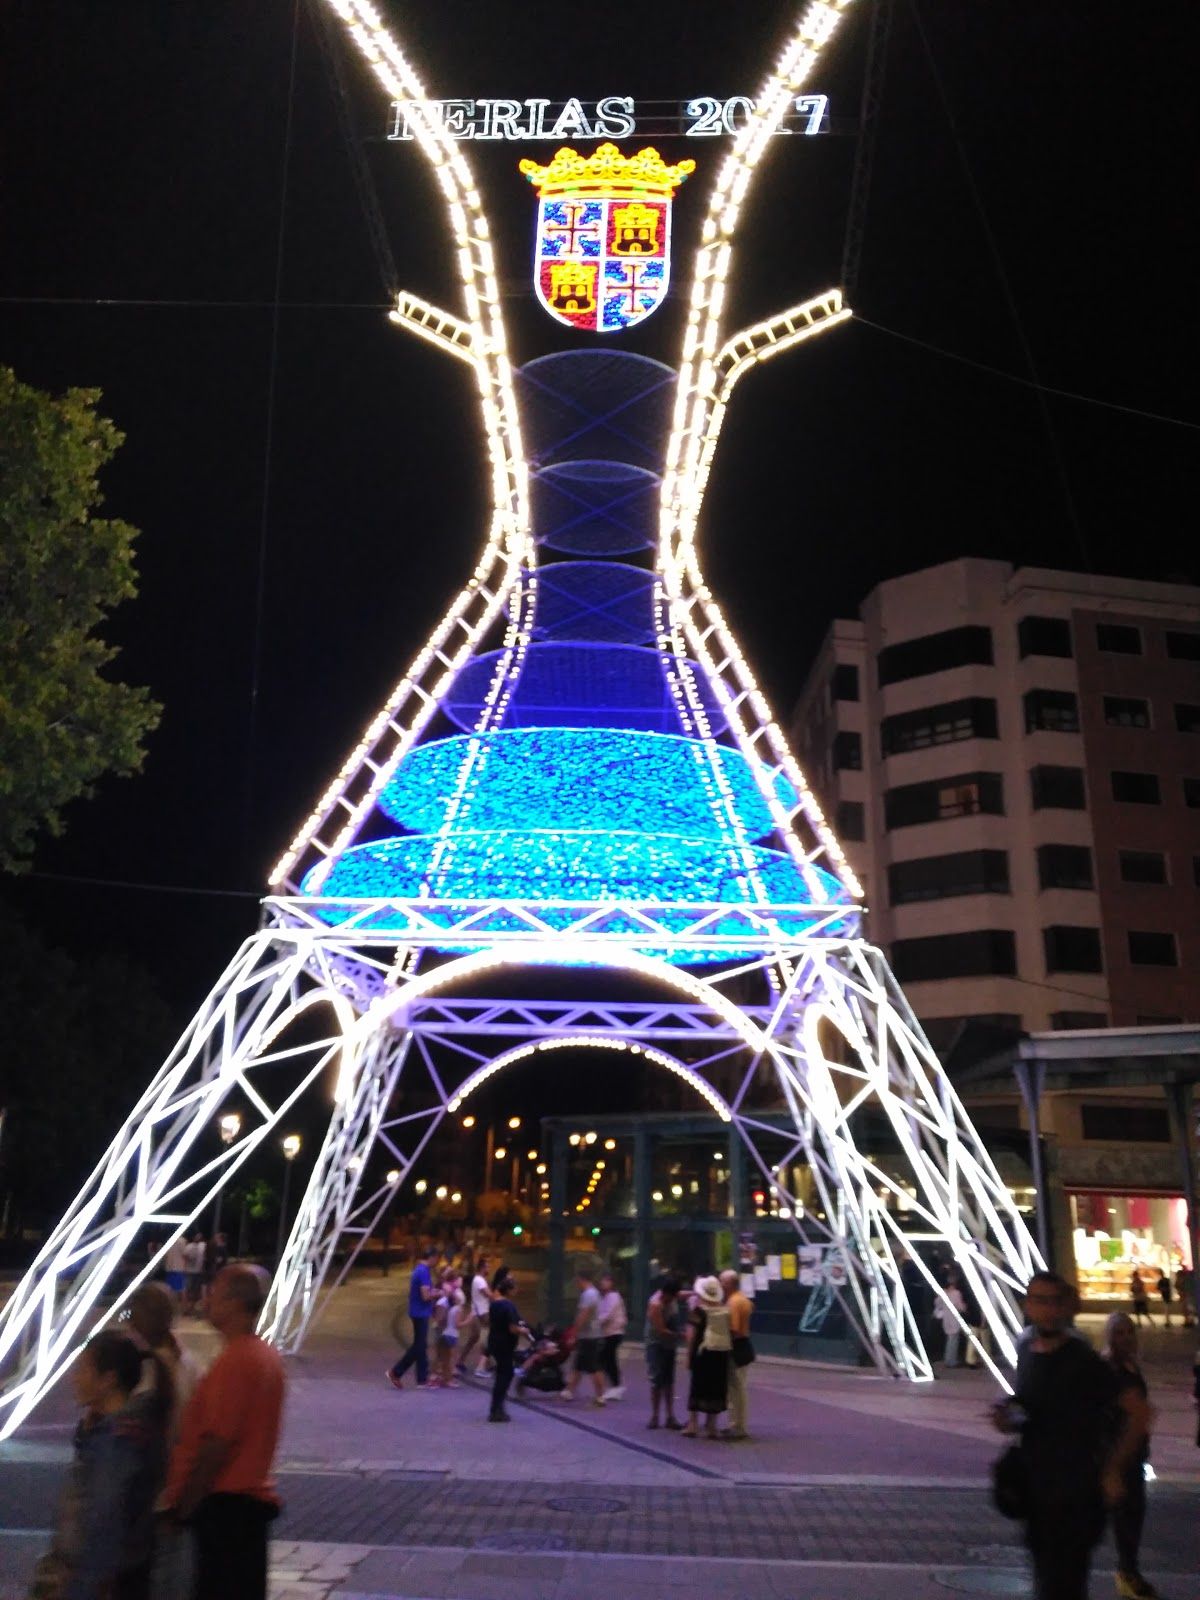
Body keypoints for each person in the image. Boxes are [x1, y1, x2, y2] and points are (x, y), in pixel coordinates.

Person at [991, 1271, 1146, 1600]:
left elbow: (1139, 1412)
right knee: (1049, 1581)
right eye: (1039, 1301)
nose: (1048, 1309)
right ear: (1027, 1306)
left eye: (1055, 1301)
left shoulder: (1082, 1360)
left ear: (1067, 1307)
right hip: (1036, 1490)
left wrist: (1113, 1470)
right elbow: (1033, 1408)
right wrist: (1009, 1418)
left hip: (1076, 1493)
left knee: (1063, 1585)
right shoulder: (1028, 1353)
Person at [164, 1263, 285, 1600]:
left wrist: (185, 1504)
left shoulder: (237, 1361)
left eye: (215, 1293)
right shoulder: (264, 1356)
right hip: (245, 1509)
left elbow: (217, 1442)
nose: (207, 1299)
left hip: (225, 1508)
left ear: (233, 1303)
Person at [31, 1329, 168, 1600]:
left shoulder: (116, 1440)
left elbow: (103, 1519)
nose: (74, 1378)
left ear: (108, 1380)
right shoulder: (116, 1431)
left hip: (93, 1582)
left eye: (82, 1370)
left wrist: (81, 1586)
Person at [128, 1281, 202, 1600]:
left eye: (134, 1314)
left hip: (148, 1498)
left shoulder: (139, 1373)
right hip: (177, 1493)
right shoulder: (192, 1365)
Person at [1101, 1312, 1158, 1600]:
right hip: (1120, 1456)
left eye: (1129, 1331)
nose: (1126, 1337)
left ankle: (1129, 1573)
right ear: (1110, 1335)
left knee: (1134, 1517)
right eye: (1119, 1332)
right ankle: (1127, 1575)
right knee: (1126, 1517)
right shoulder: (1111, 1369)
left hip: (1135, 1454)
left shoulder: (1130, 1366)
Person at [682, 1275, 731, 1440]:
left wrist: (688, 1355)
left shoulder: (698, 1311)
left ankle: (693, 1424)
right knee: (716, 1388)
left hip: (703, 1353)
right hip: (721, 1354)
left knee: (697, 1386)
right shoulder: (724, 1310)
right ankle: (712, 1427)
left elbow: (691, 1334)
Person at [387, 1244, 436, 1390]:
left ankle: (422, 1378)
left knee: (420, 1345)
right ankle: (396, 1372)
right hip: (420, 1312)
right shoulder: (423, 1272)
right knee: (419, 1346)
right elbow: (425, 1295)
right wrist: (438, 1293)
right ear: (432, 1257)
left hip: (418, 1311)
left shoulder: (419, 1270)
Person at [645, 1274, 686, 1430]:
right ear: (667, 1293)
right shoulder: (655, 1304)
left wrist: (697, 1293)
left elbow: (683, 1294)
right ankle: (655, 1416)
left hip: (669, 1345)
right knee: (656, 1379)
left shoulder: (673, 1296)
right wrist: (681, 1335)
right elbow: (661, 1330)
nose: (674, 1299)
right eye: (673, 1296)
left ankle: (670, 1416)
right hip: (656, 1344)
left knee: (669, 1380)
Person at [561, 1265, 606, 1406]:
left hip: (589, 1336)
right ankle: (569, 1391)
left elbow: (583, 1316)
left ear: (581, 1279)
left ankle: (600, 1396)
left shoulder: (588, 1295)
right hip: (590, 1335)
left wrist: (574, 1334)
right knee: (579, 1364)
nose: (576, 1283)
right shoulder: (594, 1293)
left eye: (577, 1280)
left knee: (594, 1367)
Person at [485, 1268, 525, 1422]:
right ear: (509, 1290)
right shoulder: (509, 1306)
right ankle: (497, 1409)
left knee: (501, 1374)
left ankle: (496, 1408)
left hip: (495, 1341)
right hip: (505, 1344)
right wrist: (523, 1330)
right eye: (514, 1289)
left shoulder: (495, 1304)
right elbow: (513, 1328)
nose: (516, 1292)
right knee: (505, 1375)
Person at [719, 1269, 752, 1440]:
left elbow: (734, 1328)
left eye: (722, 1282)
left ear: (730, 1283)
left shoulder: (733, 1302)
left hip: (736, 1347)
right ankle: (736, 1424)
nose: (720, 1284)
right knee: (737, 1388)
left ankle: (738, 1426)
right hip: (744, 1345)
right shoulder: (743, 1299)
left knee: (736, 1388)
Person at [457, 1254, 490, 1376]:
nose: (489, 1269)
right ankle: (482, 1366)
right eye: (487, 1267)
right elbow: (488, 1295)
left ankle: (462, 1361)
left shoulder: (478, 1279)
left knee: (475, 1338)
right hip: (480, 1313)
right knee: (484, 1338)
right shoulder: (480, 1280)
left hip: (478, 1312)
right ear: (482, 1268)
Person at [597, 1272, 627, 1400]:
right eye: (602, 1280)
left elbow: (607, 1315)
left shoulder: (613, 1296)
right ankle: (614, 1387)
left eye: (606, 1280)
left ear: (612, 1283)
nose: (603, 1283)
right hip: (609, 1333)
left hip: (613, 1333)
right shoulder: (606, 1297)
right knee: (608, 1360)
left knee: (607, 1359)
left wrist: (595, 1323)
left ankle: (616, 1387)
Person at [933, 1269, 968, 1368]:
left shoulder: (943, 1293)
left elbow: (937, 1303)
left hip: (946, 1318)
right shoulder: (956, 1293)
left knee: (949, 1339)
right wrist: (965, 1308)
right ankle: (951, 1360)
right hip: (954, 1318)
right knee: (953, 1340)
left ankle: (948, 1359)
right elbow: (960, 1306)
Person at [181, 1233, 206, 1317]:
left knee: (195, 1291)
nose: (198, 1238)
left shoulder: (203, 1246)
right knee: (187, 1290)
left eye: (199, 1237)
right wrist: (185, 1267)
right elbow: (184, 1257)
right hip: (190, 1272)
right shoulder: (189, 1246)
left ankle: (190, 1308)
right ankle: (185, 1309)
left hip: (198, 1272)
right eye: (196, 1236)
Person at [164, 1234, 187, 1299]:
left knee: (169, 1289)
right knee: (182, 1289)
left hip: (169, 1268)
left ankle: (170, 1304)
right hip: (179, 1268)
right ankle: (183, 1307)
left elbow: (166, 1256)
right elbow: (184, 1254)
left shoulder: (169, 1240)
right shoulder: (182, 1241)